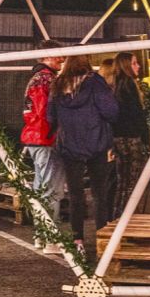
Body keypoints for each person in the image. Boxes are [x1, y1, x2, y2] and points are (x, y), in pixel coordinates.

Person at [47, 55, 118, 253]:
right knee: (99, 193)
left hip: (69, 145)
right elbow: (111, 111)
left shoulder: (58, 84)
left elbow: (50, 116)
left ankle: (77, 240)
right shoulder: (95, 82)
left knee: (76, 195)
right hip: (97, 144)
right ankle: (101, 237)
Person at [20, 42, 66, 254]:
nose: (62, 59)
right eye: (58, 56)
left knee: (41, 188)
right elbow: (47, 111)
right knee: (51, 190)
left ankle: (41, 234)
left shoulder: (35, 79)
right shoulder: (47, 80)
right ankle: (50, 239)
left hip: (34, 138)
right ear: (47, 56)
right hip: (46, 140)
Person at [111, 51, 150, 219]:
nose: (138, 66)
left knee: (123, 181)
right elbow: (137, 116)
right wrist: (145, 139)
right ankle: (127, 217)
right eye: (134, 63)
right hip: (131, 138)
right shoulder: (129, 86)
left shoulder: (117, 86)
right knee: (131, 181)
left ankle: (119, 216)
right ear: (126, 66)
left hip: (120, 138)